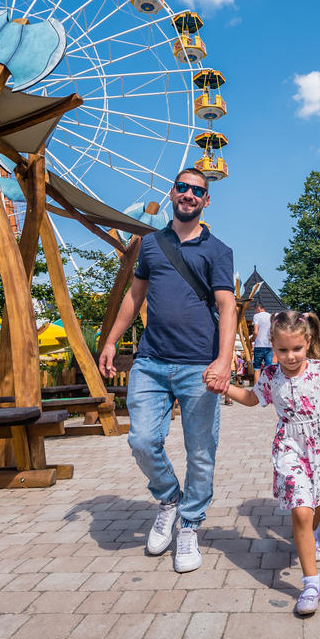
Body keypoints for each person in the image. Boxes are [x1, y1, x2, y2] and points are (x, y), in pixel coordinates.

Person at [98, 168, 237, 574]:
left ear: (206, 201)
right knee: (141, 439)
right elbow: (134, 295)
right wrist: (110, 340)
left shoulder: (218, 251)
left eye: (198, 190)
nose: (190, 195)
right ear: (172, 193)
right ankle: (169, 499)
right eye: (184, 188)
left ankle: (190, 525)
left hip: (199, 365)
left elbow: (227, 307)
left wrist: (224, 360)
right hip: (152, 360)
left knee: (200, 453)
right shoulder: (151, 245)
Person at [217, 310, 320, 615]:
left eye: (296, 349)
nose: (290, 357)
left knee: (317, 502)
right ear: (272, 347)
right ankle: (311, 582)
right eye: (282, 350)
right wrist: (224, 387)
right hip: (288, 444)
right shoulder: (270, 376)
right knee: (301, 511)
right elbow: (252, 399)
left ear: (308, 343)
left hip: (319, 442)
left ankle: (314, 534)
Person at [251, 305, 273, 382]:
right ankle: (269, 388)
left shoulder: (256, 316)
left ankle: (256, 391)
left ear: (258, 308)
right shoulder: (270, 316)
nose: (255, 312)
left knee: (257, 368)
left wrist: (252, 339)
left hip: (259, 345)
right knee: (269, 368)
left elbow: (256, 331)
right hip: (269, 345)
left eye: (255, 310)